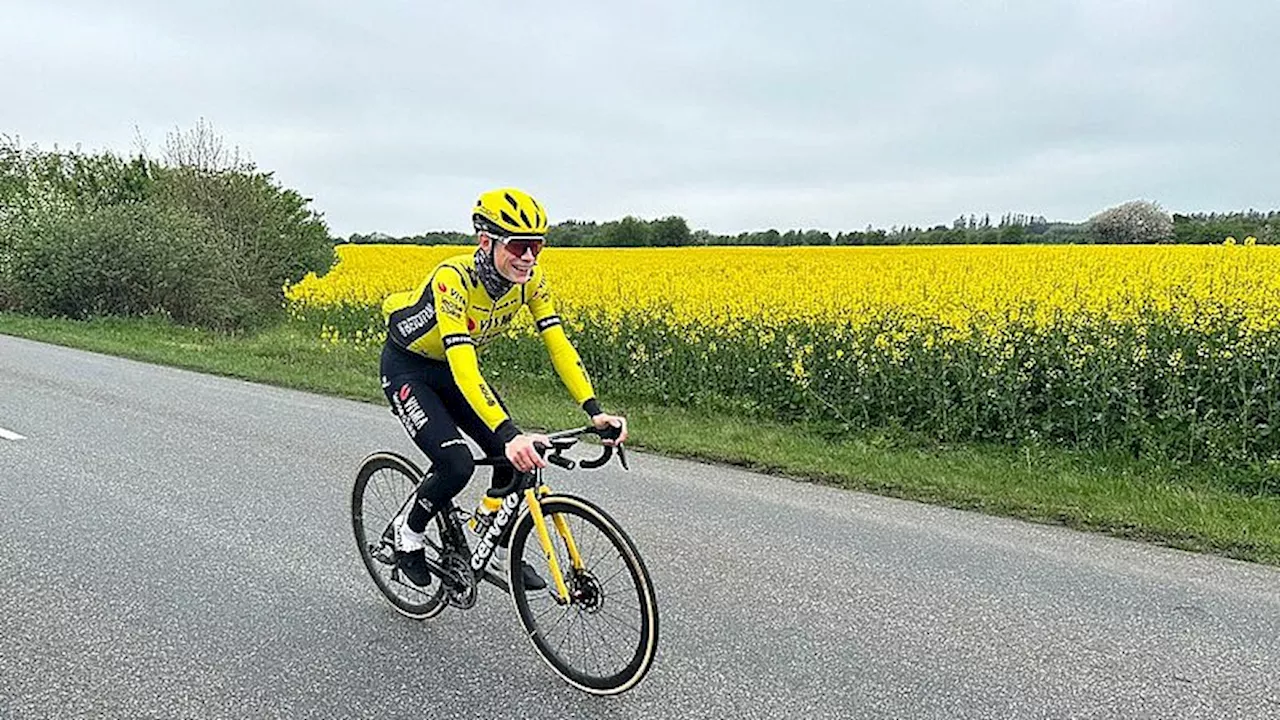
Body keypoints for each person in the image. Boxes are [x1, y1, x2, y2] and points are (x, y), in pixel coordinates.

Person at [379, 187, 628, 589]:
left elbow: (558, 344)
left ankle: (489, 543)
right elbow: (463, 363)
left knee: (512, 460)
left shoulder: (530, 281)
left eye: (537, 246)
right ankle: (408, 536)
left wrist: (594, 410)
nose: (528, 257)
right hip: (410, 369)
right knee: (456, 464)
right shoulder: (453, 280)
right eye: (518, 245)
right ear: (486, 241)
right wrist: (509, 433)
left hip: (454, 371)